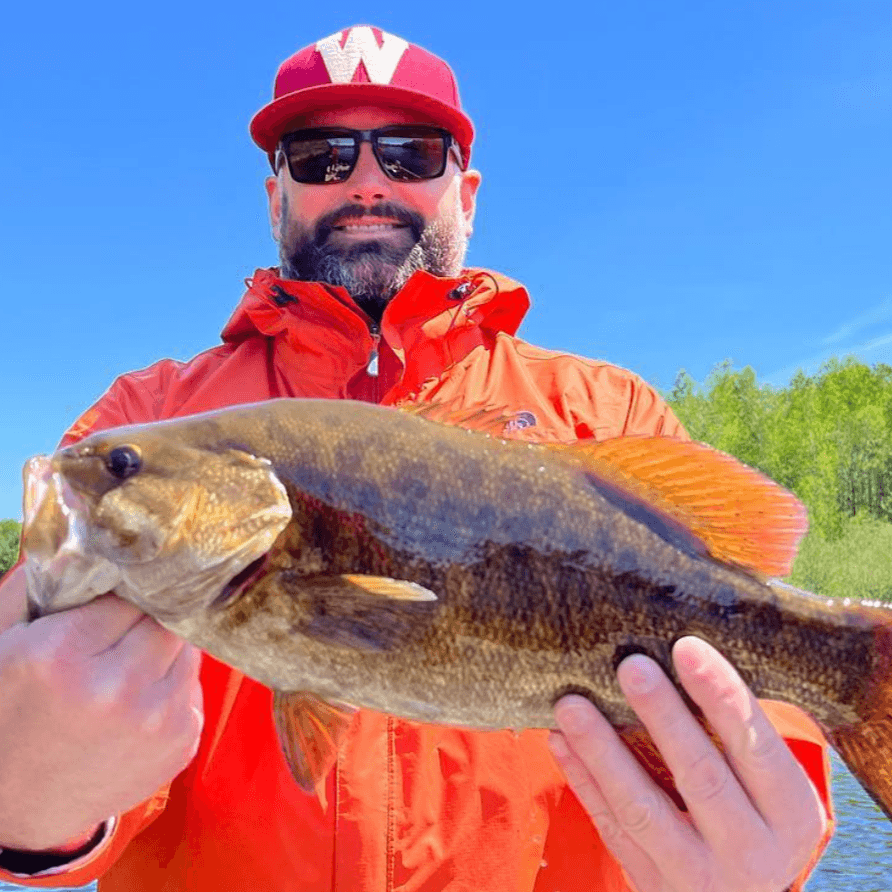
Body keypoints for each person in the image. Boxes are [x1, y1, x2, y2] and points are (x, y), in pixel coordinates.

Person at [0, 25, 831, 892]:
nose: (366, 182)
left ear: (464, 192)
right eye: (321, 156)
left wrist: (763, 845)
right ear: (275, 195)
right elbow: (43, 687)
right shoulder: (147, 417)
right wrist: (24, 810)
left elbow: (756, 669)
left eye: (410, 152)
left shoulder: (607, 415)